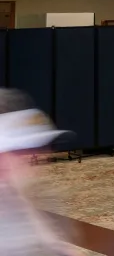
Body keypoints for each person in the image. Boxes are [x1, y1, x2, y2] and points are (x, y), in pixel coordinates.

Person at [0, 89, 78, 255]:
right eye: (26, 150)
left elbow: (57, 246)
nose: (43, 155)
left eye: (43, 147)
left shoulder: (40, 195)